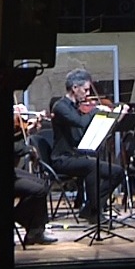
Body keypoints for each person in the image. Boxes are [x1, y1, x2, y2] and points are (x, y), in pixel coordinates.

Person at [0, 79, 56, 245]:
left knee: (41, 183)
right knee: (39, 190)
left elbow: (8, 139)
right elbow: (8, 146)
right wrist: (27, 148)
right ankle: (3, 218)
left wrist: (23, 132)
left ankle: (35, 229)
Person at [49, 68, 125, 223]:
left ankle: (90, 208)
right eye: (85, 89)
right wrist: (95, 111)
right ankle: (95, 213)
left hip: (77, 156)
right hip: (62, 159)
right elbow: (80, 122)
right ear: (74, 88)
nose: (88, 94)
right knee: (92, 166)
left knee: (117, 172)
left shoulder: (76, 107)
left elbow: (83, 132)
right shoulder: (60, 107)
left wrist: (114, 117)